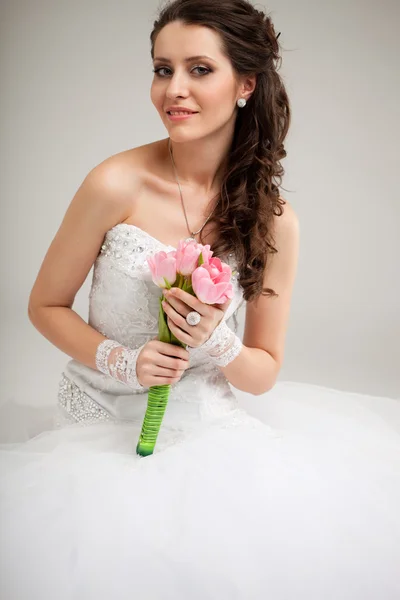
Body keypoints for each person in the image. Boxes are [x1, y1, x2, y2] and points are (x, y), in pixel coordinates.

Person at [1, 1, 400, 598]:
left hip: (201, 418)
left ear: (246, 84)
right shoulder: (114, 182)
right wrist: (122, 361)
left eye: (199, 70)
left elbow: (262, 373)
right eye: (163, 69)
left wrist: (215, 341)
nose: (174, 90)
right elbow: (45, 305)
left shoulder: (276, 220)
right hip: (100, 414)